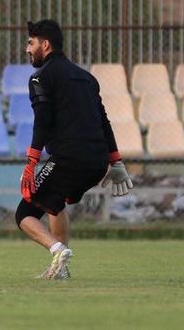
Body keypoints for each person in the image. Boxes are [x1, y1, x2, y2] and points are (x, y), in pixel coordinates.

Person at [17, 19, 133, 280]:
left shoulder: (40, 77)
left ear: (44, 45)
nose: (27, 49)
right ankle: (61, 269)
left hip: (69, 159)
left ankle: (57, 250)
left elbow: (42, 121)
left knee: (24, 213)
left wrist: (32, 162)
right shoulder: (87, 78)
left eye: (30, 43)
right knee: (54, 204)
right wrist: (116, 162)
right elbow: (103, 120)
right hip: (96, 162)